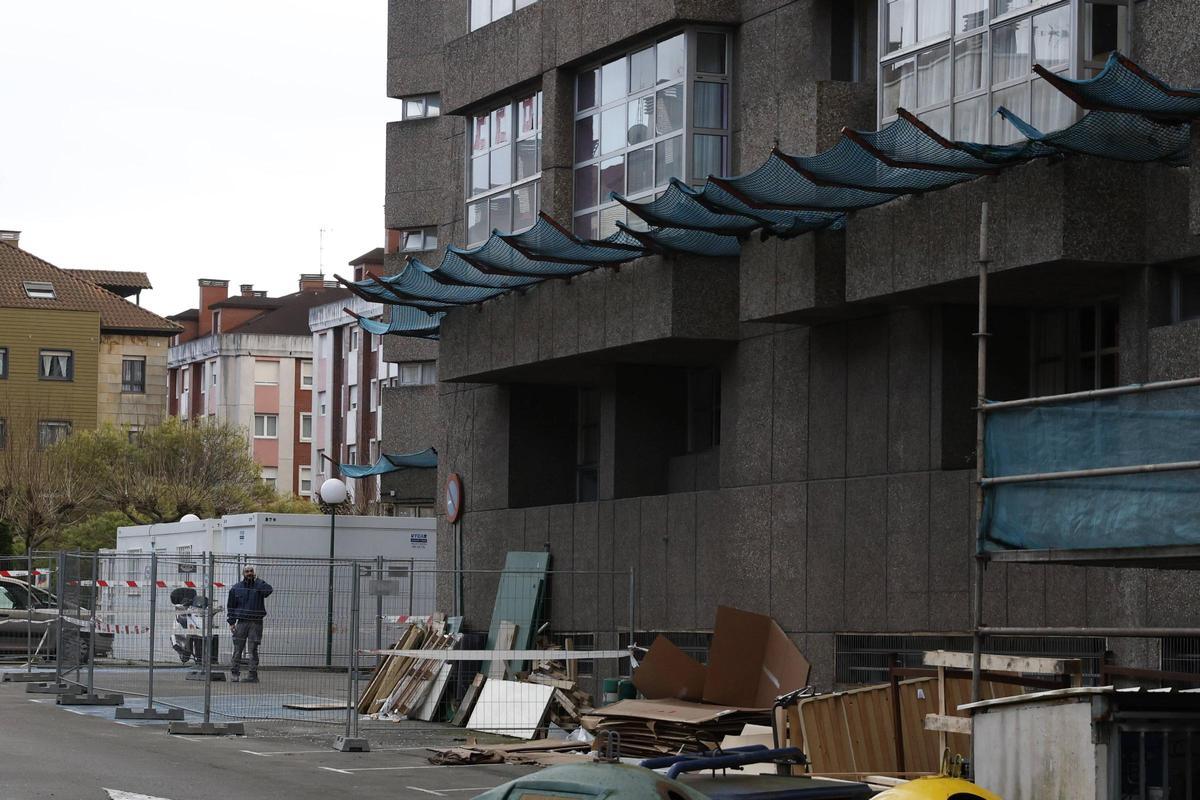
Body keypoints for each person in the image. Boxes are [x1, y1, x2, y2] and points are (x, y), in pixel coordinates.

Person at [226, 565, 272, 683]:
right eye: (247, 571)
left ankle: (252, 675)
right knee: (238, 649)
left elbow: (268, 591)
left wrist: (258, 581)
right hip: (241, 622)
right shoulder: (236, 588)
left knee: (253, 649)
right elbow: (231, 606)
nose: (249, 573)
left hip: (256, 623)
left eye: (251, 571)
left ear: (254, 573)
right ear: (243, 573)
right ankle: (234, 673)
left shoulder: (259, 586)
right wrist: (231, 622)